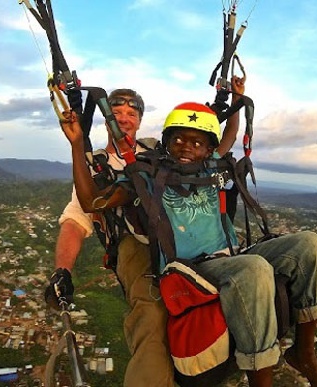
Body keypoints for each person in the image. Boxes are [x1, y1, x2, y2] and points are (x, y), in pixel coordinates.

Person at [63, 101, 317, 387]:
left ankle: (304, 351)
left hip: (230, 256)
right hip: (191, 269)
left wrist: (236, 103)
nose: (186, 146)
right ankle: (260, 379)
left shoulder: (212, 169)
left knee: (308, 245)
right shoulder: (147, 175)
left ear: (208, 149)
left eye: (196, 142)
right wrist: (77, 144)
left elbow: (229, 135)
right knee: (253, 268)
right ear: (166, 143)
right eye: (178, 139)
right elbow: (92, 201)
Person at [47, 79, 246, 387]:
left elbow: (206, 143)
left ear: (139, 121)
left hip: (181, 236)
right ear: (107, 117)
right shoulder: (96, 167)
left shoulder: (157, 151)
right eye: (117, 111)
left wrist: (233, 101)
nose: (124, 118)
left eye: (131, 113)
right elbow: (77, 219)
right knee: (153, 313)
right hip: (135, 244)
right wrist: (63, 270)